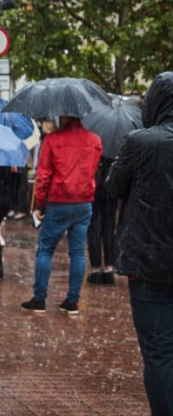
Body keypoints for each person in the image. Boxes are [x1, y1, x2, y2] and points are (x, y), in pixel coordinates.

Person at [106, 72, 173, 416]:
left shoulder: (140, 141)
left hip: (149, 261)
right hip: (151, 260)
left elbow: (113, 186)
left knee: (159, 352)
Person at [21, 115, 101, 315]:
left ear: (64, 116)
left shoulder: (52, 140)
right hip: (84, 202)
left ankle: (39, 299)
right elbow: (93, 170)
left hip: (58, 201)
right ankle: (72, 301)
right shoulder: (95, 140)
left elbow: (44, 175)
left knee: (45, 250)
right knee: (77, 253)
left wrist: (39, 204)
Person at [86, 157, 119, 285]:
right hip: (111, 187)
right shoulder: (118, 145)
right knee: (109, 227)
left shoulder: (94, 141)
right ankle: (109, 268)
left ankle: (96, 269)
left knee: (94, 226)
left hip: (95, 184)